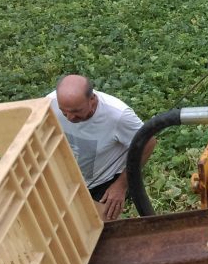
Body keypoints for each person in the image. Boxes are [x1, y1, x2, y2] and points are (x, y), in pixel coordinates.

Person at [47, 74, 155, 221]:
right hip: (67, 178)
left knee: (98, 229)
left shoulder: (117, 116)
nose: (70, 117)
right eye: (64, 111)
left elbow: (148, 142)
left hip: (104, 182)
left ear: (92, 99)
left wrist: (122, 185)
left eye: (76, 111)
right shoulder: (49, 103)